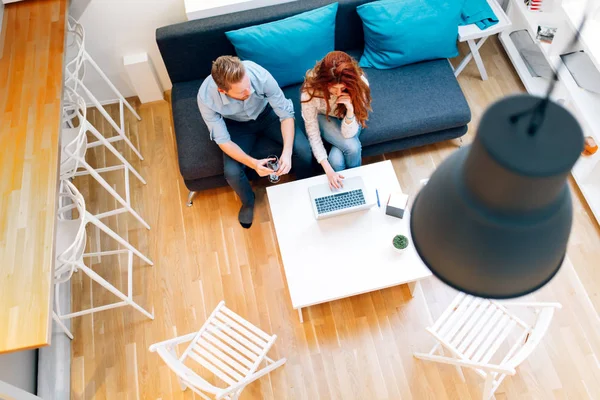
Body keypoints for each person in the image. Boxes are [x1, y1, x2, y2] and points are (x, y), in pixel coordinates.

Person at [197, 56, 313, 229]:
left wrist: (287, 152)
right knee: (232, 171)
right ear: (223, 91)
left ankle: (305, 184)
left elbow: (286, 114)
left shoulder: (259, 75)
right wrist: (253, 163)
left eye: (249, 85)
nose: (249, 92)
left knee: (302, 149)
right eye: (242, 91)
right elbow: (223, 140)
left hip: (268, 115)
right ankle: (248, 203)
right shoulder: (206, 98)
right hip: (237, 125)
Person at [301, 51, 372, 189]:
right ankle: (353, 187)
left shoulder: (360, 84)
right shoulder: (309, 92)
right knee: (352, 147)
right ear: (324, 82)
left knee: (336, 160)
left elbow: (348, 134)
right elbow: (313, 133)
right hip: (324, 118)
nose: (338, 93)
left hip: (350, 119)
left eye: (343, 88)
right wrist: (328, 171)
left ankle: (351, 189)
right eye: (334, 88)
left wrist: (350, 109)